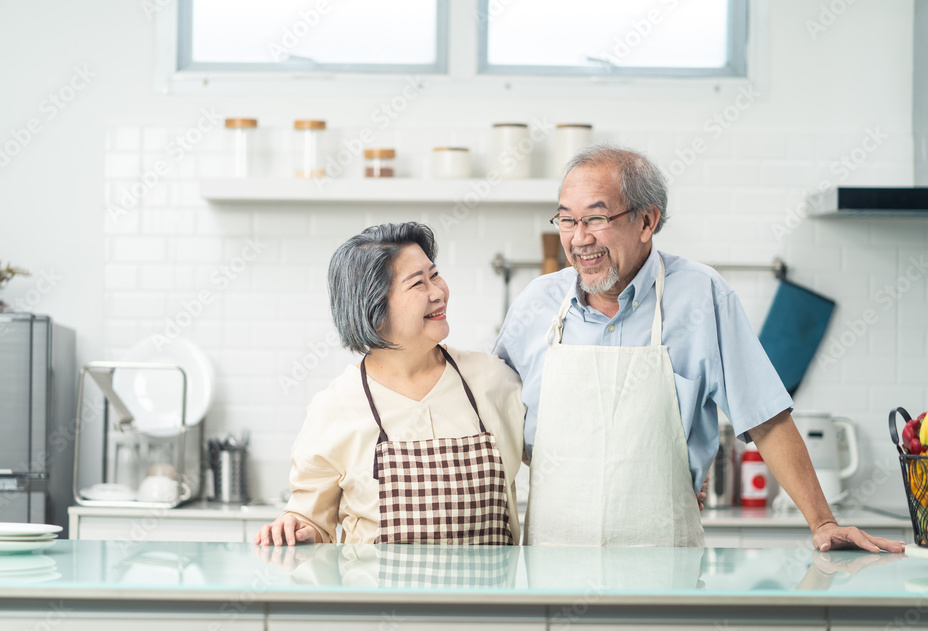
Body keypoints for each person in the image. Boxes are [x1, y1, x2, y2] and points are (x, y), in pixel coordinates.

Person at [494, 144, 904, 552]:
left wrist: (823, 521)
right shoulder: (538, 303)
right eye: (567, 220)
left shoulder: (701, 296)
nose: (579, 238)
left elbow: (766, 418)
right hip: (553, 563)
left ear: (646, 221)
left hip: (664, 563)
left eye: (596, 218)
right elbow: (490, 418)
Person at [255, 222, 525, 546]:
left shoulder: (496, 381)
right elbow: (311, 521)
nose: (438, 292)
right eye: (418, 284)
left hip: (490, 599)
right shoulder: (335, 408)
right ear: (375, 311)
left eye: (435, 275)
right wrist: (296, 530)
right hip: (381, 599)